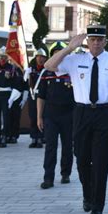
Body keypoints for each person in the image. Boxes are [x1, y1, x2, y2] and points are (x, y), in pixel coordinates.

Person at [44, 24, 108, 214]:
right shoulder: (76, 59)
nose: (96, 43)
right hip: (82, 113)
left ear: (105, 41)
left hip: (105, 114)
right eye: (92, 39)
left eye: (99, 40)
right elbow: (48, 66)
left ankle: (97, 206)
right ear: (87, 41)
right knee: (82, 158)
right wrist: (69, 47)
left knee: (101, 161)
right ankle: (87, 194)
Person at [37, 41, 74, 189]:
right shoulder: (46, 73)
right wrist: (39, 116)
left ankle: (65, 173)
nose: (59, 56)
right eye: (56, 53)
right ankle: (48, 178)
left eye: (62, 53)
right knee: (50, 146)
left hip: (69, 114)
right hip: (51, 115)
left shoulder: (72, 72)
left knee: (67, 146)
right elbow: (41, 96)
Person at [25, 48, 48, 148]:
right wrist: (26, 74)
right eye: (38, 57)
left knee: (42, 117)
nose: (40, 59)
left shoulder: (47, 69)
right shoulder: (31, 69)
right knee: (33, 116)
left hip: (43, 97)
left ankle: (40, 138)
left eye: (42, 57)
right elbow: (25, 82)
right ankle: (33, 138)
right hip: (33, 96)